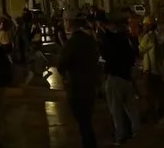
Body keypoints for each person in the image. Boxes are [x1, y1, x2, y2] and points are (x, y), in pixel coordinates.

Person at [57, 16, 99, 148]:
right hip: (90, 83)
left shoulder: (72, 42)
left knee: (82, 118)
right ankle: (90, 142)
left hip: (77, 84)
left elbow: (62, 64)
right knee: (87, 116)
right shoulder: (90, 41)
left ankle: (89, 143)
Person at [100, 18, 140, 145]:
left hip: (115, 78)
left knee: (116, 110)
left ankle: (121, 136)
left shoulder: (113, 42)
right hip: (126, 78)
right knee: (131, 108)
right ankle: (137, 132)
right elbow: (133, 58)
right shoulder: (127, 42)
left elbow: (106, 55)